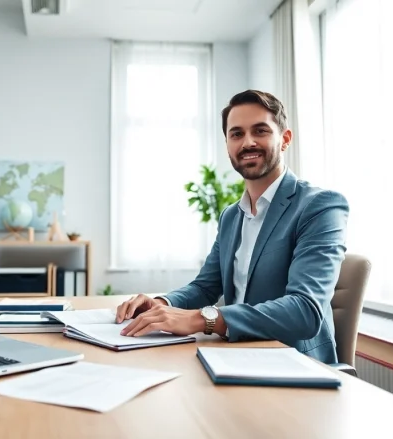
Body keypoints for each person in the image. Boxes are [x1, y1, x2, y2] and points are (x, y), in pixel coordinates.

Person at [115, 89, 349, 364]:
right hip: (235, 356)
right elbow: (205, 287)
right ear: (227, 144)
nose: (247, 142)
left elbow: (304, 312)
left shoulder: (320, 206)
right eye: (236, 134)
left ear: (285, 139)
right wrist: (163, 304)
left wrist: (203, 319)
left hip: (294, 365)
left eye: (260, 131)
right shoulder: (231, 216)